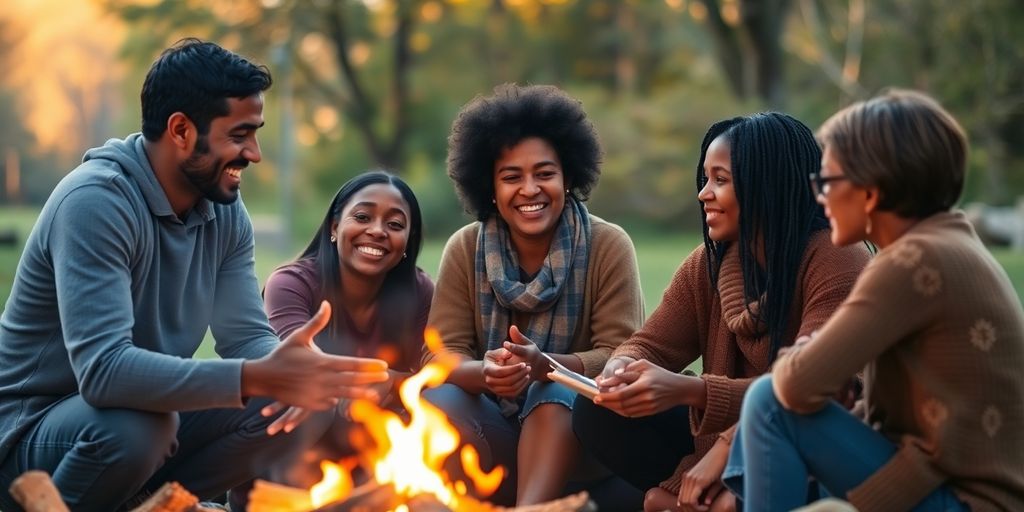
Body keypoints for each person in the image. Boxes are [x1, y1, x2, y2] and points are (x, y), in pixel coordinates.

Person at [0, 39, 389, 511]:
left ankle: (153, 502)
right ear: (181, 130)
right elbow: (103, 374)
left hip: (137, 422)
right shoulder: (94, 203)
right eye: (240, 134)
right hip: (32, 435)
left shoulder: (224, 211)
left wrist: (293, 372)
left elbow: (245, 338)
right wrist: (256, 375)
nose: (255, 153)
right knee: (143, 426)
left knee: (301, 405)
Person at [724, 91, 1024, 511]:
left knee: (768, 401)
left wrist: (806, 359)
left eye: (827, 181)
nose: (820, 196)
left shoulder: (913, 261)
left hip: (963, 501)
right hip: (957, 489)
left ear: (871, 190)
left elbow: (795, 385)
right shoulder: (950, 245)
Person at [572, 112, 872, 512]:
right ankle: (695, 498)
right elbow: (650, 344)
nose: (703, 194)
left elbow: (808, 389)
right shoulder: (709, 264)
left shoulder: (836, 260)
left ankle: (690, 499)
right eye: (705, 179)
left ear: (767, 184)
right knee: (598, 412)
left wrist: (690, 390)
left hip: (812, 444)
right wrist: (620, 369)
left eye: (721, 180)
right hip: (725, 439)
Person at [422, 84, 645, 507]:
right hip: (495, 437)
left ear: (568, 177)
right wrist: (485, 372)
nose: (529, 190)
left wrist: (548, 367)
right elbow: (439, 355)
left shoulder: (608, 244)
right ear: (489, 186)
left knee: (553, 390)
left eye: (544, 174)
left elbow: (623, 352)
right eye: (511, 177)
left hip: (583, 438)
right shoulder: (465, 248)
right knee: (440, 396)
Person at [238, 171, 433, 498]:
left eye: (395, 225)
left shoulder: (420, 291)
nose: (377, 231)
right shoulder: (292, 284)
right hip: (296, 443)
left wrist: (392, 381)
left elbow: (437, 370)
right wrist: (383, 379)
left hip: (373, 447)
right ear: (334, 227)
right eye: (362, 216)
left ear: (406, 245)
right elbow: (298, 370)